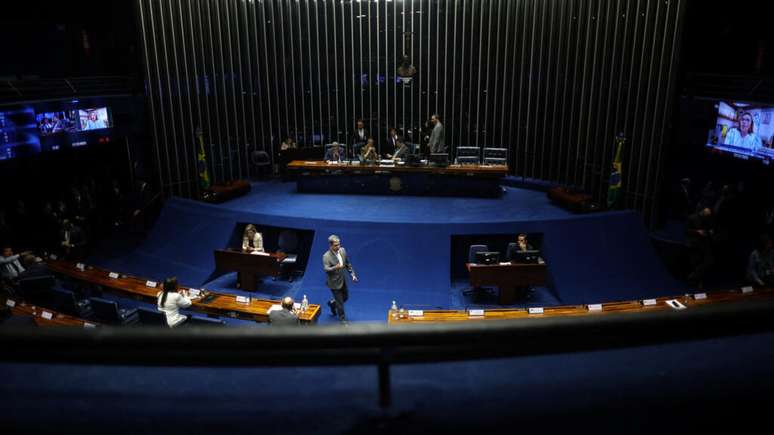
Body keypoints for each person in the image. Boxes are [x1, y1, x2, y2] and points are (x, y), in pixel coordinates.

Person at [322, 234, 358, 323]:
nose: (338, 246)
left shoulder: (343, 250)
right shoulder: (326, 256)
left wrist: (352, 275)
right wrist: (335, 267)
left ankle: (332, 303)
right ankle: (343, 320)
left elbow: (347, 264)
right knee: (340, 302)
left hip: (343, 279)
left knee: (345, 297)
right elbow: (326, 269)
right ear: (331, 245)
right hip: (334, 282)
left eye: (339, 244)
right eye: (336, 245)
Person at [685, 207, 714, 288]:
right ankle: (695, 282)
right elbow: (686, 231)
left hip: (705, 243)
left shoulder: (708, 219)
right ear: (702, 211)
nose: (707, 216)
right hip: (694, 243)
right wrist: (697, 232)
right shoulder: (692, 218)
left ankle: (693, 276)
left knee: (709, 261)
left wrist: (710, 232)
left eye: (708, 215)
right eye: (706, 214)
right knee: (696, 263)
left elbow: (709, 229)